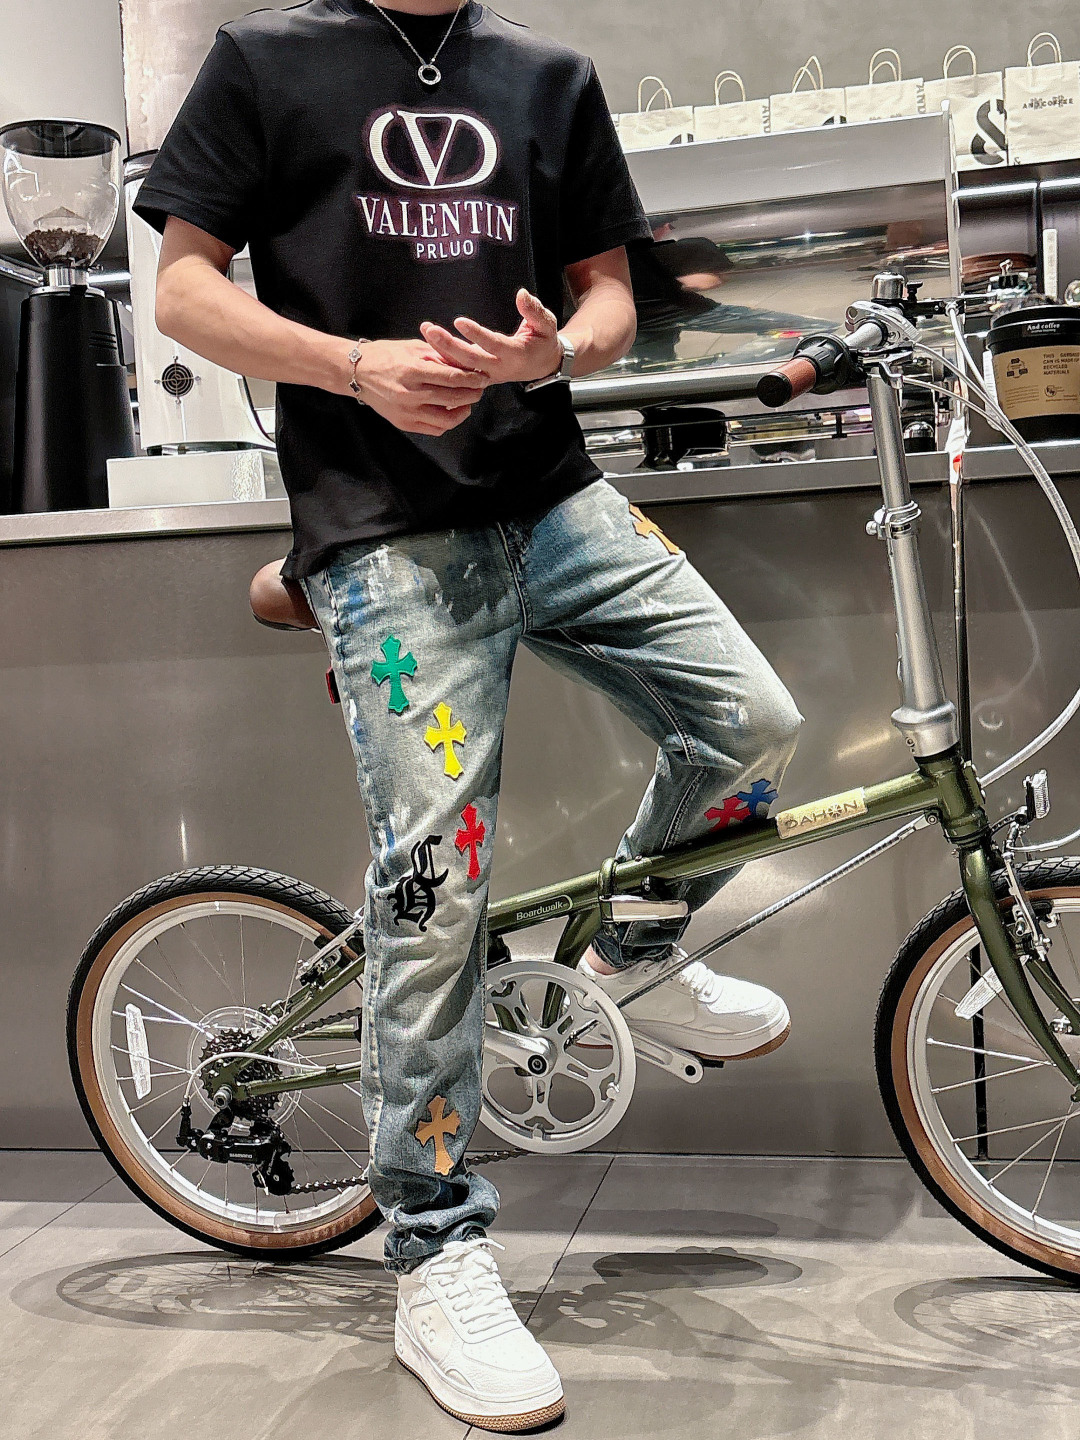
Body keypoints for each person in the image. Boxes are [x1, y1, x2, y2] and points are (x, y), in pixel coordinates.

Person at [135, 0, 802, 1429]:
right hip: (381, 534)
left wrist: (554, 355)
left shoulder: (546, 77)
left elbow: (610, 298)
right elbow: (181, 293)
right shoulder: (265, 62)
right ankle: (435, 1252)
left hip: (555, 502)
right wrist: (355, 364)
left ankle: (633, 955)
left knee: (749, 719)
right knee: (437, 886)